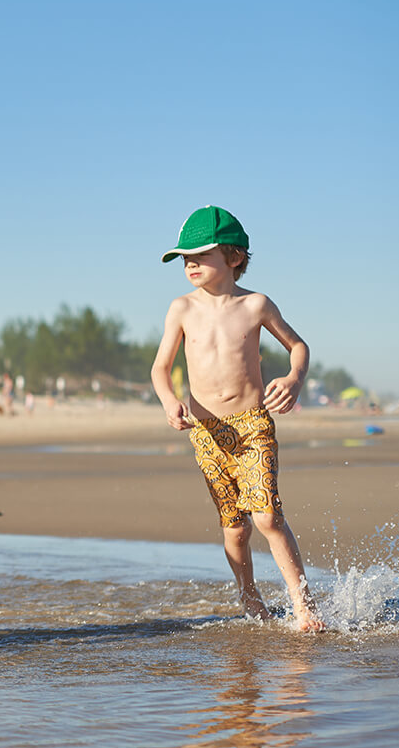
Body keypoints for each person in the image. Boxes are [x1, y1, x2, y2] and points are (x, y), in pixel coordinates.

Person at [150, 206, 324, 632]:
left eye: (200, 255)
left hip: (251, 426)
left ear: (234, 257)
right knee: (235, 529)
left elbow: (297, 345)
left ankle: (304, 607)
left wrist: (294, 378)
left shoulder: (255, 305)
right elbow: (159, 368)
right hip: (206, 433)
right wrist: (169, 400)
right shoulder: (181, 309)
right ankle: (250, 598)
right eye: (184, 258)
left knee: (267, 517)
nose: (190, 264)